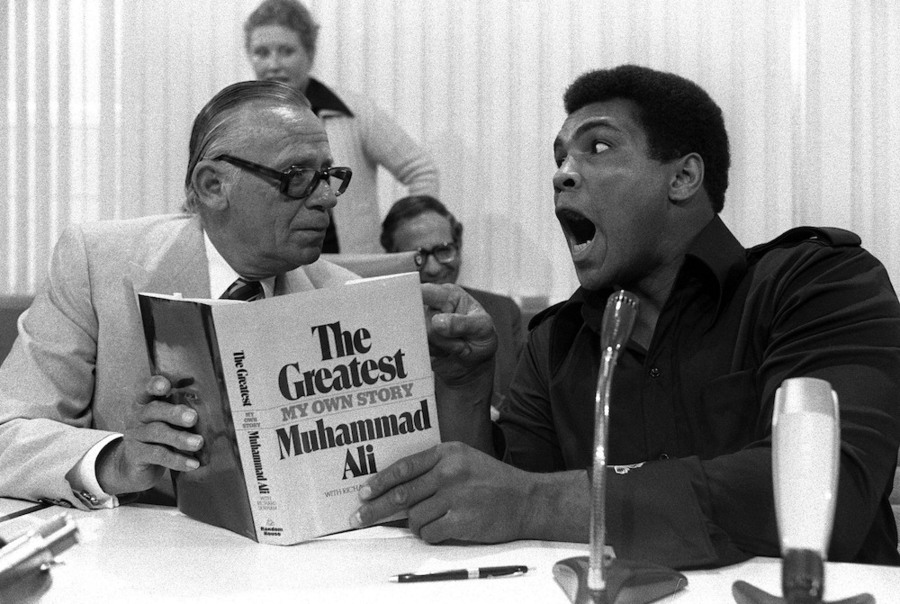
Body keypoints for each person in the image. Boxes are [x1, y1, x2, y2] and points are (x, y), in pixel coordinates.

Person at [350, 64, 900, 569]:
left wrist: (537, 502)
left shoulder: (819, 284)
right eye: (560, 157)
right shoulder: (555, 345)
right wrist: (465, 389)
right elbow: (495, 512)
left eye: (599, 146)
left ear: (683, 178)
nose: (563, 174)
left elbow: (828, 492)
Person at [0, 80, 363, 507]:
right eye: (297, 177)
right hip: (132, 556)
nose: (326, 199)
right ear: (213, 186)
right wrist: (113, 462)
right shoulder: (97, 264)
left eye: (328, 176)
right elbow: (9, 433)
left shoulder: (347, 299)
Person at [244, 0, 439, 254]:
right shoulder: (241, 121)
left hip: (354, 270)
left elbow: (421, 171)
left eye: (286, 51)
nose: (273, 64)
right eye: (262, 52)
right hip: (278, 271)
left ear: (310, 54)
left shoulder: (354, 112)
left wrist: (408, 241)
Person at [380, 195, 524, 415]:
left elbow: (525, 407)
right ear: (392, 259)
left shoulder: (502, 311)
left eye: (444, 250)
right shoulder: (379, 325)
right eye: (416, 258)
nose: (433, 268)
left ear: (459, 247)